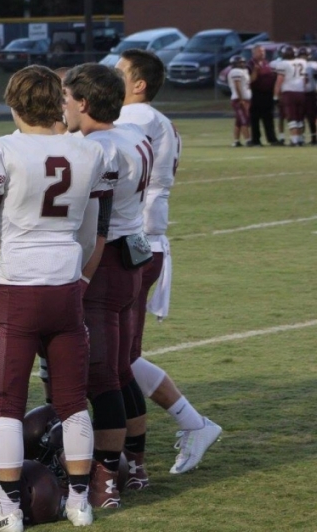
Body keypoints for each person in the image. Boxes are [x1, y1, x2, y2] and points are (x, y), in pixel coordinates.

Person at [0, 65, 116, 530]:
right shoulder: (89, 152)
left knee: (8, 405)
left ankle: (9, 512)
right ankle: (78, 504)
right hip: (65, 287)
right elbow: (90, 237)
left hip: (18, 292)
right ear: (57, 102)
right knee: (72, 402)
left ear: (13, 103)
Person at [114, 49, 222, 479]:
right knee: (118, 354)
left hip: (133, 243)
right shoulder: (150, 119)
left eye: (119, 72)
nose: (111, 77)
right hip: (141, 241)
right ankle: (188, 424)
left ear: (138, 84)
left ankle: (191, 423)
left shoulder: (135, 118)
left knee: (117, 355)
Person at [63, 63, 149, 509]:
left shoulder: (96, 149)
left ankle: (106, 478)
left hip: (104, 262)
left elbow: (90, 223)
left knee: (102, 377)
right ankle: (135, 466)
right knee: (120, 370)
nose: (63, 105)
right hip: (132, 257)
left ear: (83, 101)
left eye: (67, 97)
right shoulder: (135, 136)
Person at [274, 45, 308, 146]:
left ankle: (294, 140)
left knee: (291, 116)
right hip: (301, 91)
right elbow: (305, 80)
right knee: (299, 117)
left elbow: (279, 81)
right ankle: (300, 139)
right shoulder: (303, 62)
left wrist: (275, 96)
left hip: (289, 92)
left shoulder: (283, 64)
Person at [247, 45, 280, 146]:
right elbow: (249, 80)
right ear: (254, 53)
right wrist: (255, 71)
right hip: (256, 93)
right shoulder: (250, 64)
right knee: (255, 118)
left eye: (263, 51)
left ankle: (272, 139)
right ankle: (256, 140)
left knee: (268, 117)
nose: (262, 53)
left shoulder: (266, 63)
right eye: (260, 51)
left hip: (267, 94)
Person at [227, 56, 252, 147]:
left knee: (239, 121)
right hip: (238, 99)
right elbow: (237, 86)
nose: (241, 64)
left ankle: (236, 141)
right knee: (244, 120)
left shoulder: (244, 71)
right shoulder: (235, 72)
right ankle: (248, 140)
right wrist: (241, 100)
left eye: (242, 62)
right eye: (239, 63)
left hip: (244, 99)